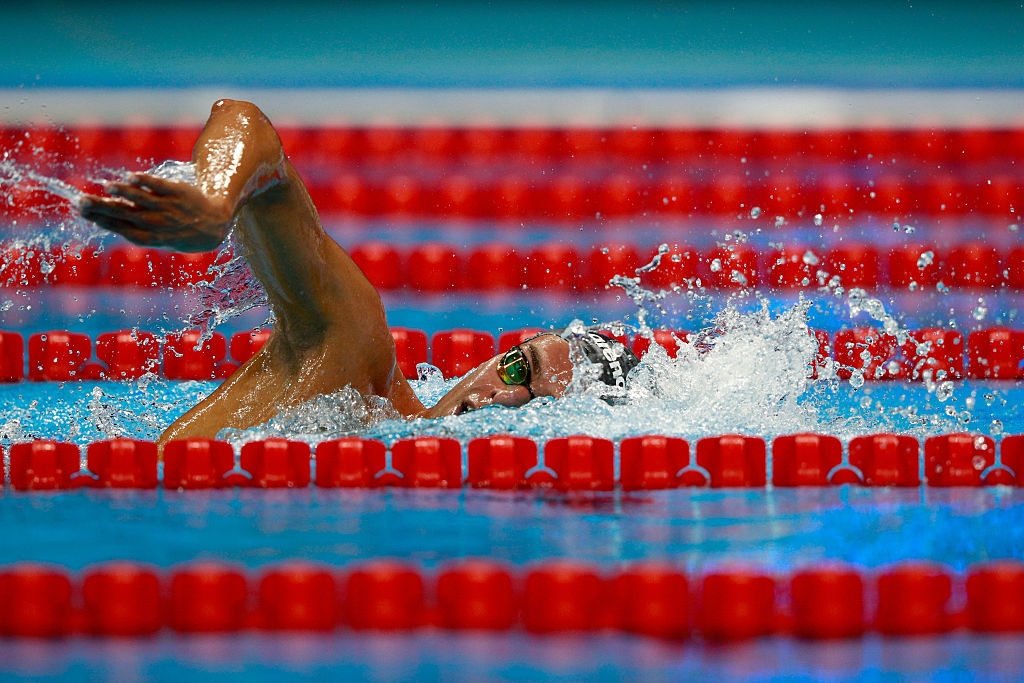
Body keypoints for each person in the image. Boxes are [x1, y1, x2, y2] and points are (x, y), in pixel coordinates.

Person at [78, 99, 639, 445]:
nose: (500, 400)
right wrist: (213, 201)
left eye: (539, 406)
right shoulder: (354, 357)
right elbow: (246, 125)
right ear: (496, 357)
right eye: (518, 369)